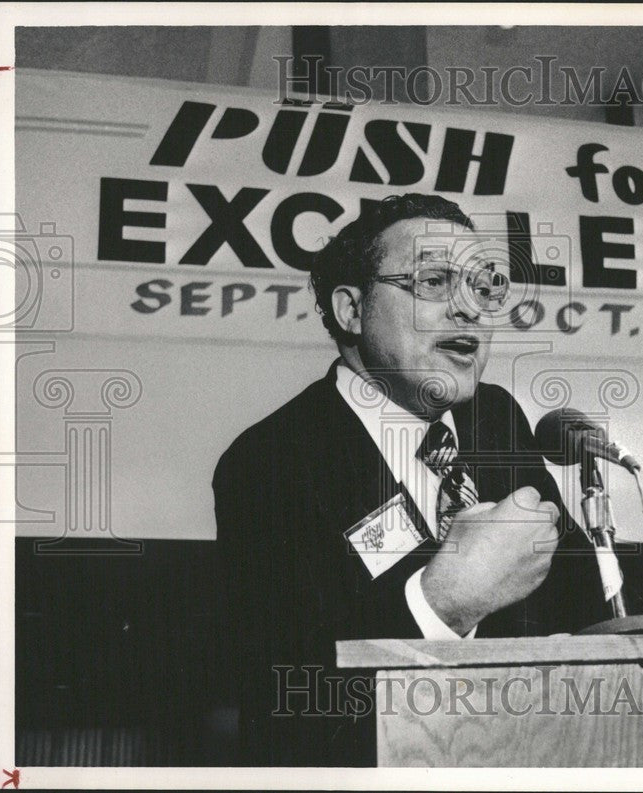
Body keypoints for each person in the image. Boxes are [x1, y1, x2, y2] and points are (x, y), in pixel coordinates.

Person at [213, 193, 604, 766]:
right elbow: (288, 703)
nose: (469, 309)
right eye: (434, 282)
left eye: (484, 286)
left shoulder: (495, 418)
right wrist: (442, 603)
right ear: (352, 310)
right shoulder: (269, 463)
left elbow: (580, 598)